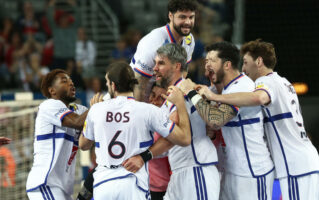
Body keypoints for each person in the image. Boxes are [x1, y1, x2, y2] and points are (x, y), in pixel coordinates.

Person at [198, 39, 319, 200]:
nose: (243, 69)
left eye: (245, 62)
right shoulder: (284, 82)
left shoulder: (264, 82)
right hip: (305, 158)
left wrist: (213, 97)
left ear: (259, 61)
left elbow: (259, 98)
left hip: (292, 164)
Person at [78, 61, 191, 200]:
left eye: (107, 84)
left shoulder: (96, 109)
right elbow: (184, 139)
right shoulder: (148, 110)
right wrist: (180, 104)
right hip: (134, 184)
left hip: (104, 184)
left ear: (113, 85)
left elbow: (83, 145)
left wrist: (93, 115)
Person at [179, 41, 275, 199]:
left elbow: (215, 120)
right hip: (229, 171)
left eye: (212, 61)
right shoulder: (217, 90)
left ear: (227, 65)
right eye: (206, 61)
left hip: (252, 172)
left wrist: (191, 92)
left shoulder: (242, 86)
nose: (207, 65)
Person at [124, 43, 220, 200]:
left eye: (161, 63)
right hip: (179, 171)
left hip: (196, 170)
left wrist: (143, 156)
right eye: (155, 63)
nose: (155, 68)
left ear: (177, 66)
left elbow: (171, 138)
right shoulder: (172, 95)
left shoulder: (187, 90)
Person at [26, 69, 100, 200]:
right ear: (52, 91)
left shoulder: (79, 110)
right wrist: (95, 108)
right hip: (45, 184)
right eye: (64, 81)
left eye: (71, 81)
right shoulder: (49, 105)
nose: (71, 84)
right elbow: (77, 121)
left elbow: (85, 145)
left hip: (63, 189)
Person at [130, 0, 197, 102]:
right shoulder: (153, 42)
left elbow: (182, 72)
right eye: (182, 17)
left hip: (162, 93)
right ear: (171, 16)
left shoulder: (189, 40)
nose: (188, 22)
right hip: (137, 92)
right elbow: (139, 86)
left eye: (191, 17)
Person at [148, 84, 171, 200]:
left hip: (166, 188)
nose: (154, 100)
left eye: (161, 97)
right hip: (145, 186)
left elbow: (165, 148)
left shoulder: (170, 122)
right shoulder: (144, 116)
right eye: (152, 95)